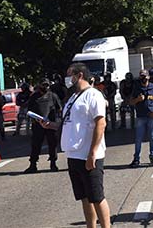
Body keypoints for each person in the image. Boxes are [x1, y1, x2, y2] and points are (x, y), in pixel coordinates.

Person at [40, 63, 110, 228]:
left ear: (79, 75)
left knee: (97, 197)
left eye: (69, 74)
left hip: (89, 155)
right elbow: (68, 124)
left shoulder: (93, 95)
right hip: (73, 154)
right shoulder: (72, 98)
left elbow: (101, 123)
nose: (67, 78)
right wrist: (50, 125)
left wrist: (92, 153)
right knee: (84, 197)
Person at [24, 79, 63, 173]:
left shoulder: (53, 96)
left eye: (47, 85)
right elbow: (29, 110)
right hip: (37, 125)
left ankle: (53, 164)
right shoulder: (34, 97)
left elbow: (59, 108)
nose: (46, 87)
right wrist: (34, 118)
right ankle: (33, 165)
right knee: (35, 145)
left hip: (50, 124)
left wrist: (56, 121)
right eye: (44, 85)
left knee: (52, 144)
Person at [129, 69, 153, 167]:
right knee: (138, 138)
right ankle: (136, 158)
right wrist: (137, 99)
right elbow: (131, 102)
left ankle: (152, 156)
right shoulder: (137, 88)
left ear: (148, 77)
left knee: (152, 137)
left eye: (145, 76)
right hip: (140, 116)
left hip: (151, 116)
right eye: (141, 76)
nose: (143, 78)